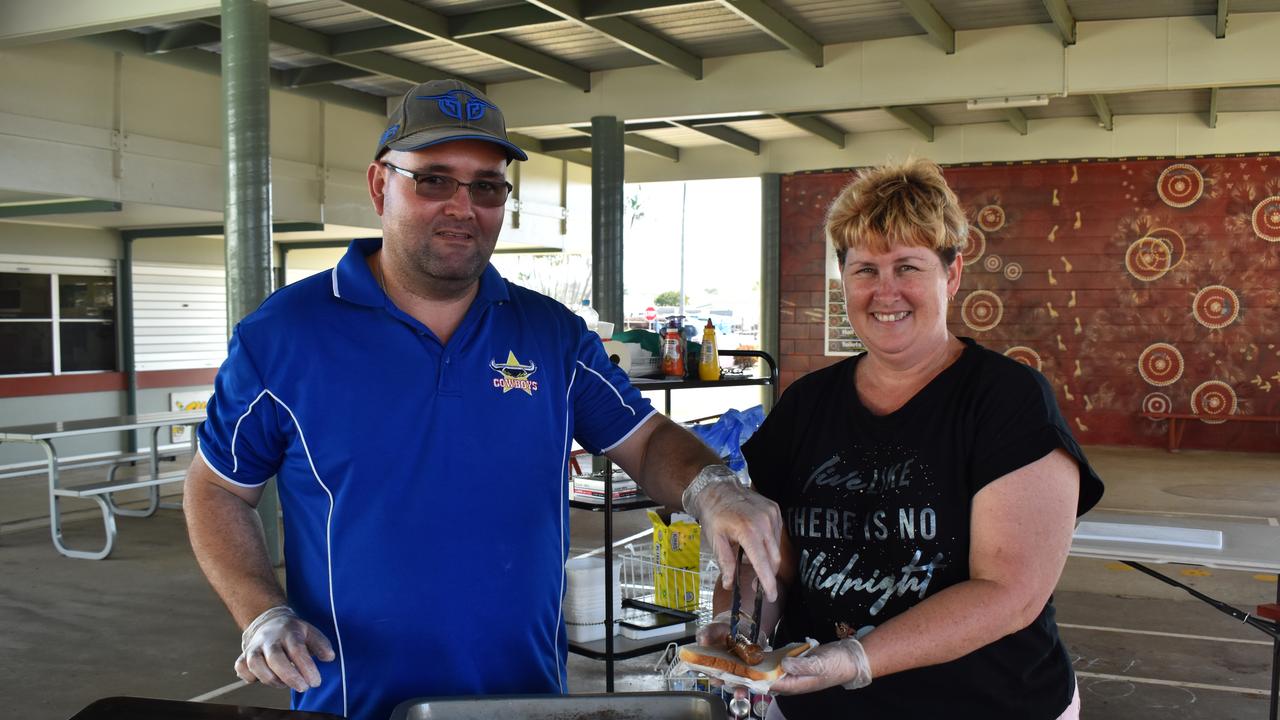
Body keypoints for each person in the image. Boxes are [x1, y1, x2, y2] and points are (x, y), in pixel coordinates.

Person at [182, 78, 782, 720]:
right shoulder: (284, 336)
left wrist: (713, 488)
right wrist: (261, 611)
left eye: (487, 185)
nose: (462, 206)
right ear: (381, 185)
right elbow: (218, 488)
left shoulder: (550, 335)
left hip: (523, 702)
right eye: (433, 179)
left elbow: (646, 439)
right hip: (351, 701)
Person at [696, 158, 1104, 719]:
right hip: (818, 708)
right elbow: (774, 565)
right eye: (865, 270)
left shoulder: (1007, 400)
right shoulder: (807, 404)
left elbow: (1011, 593)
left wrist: (856, 658)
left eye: (907, 266)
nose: (886, 293)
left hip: (989, 705)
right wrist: (736, 628)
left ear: (952, 275)